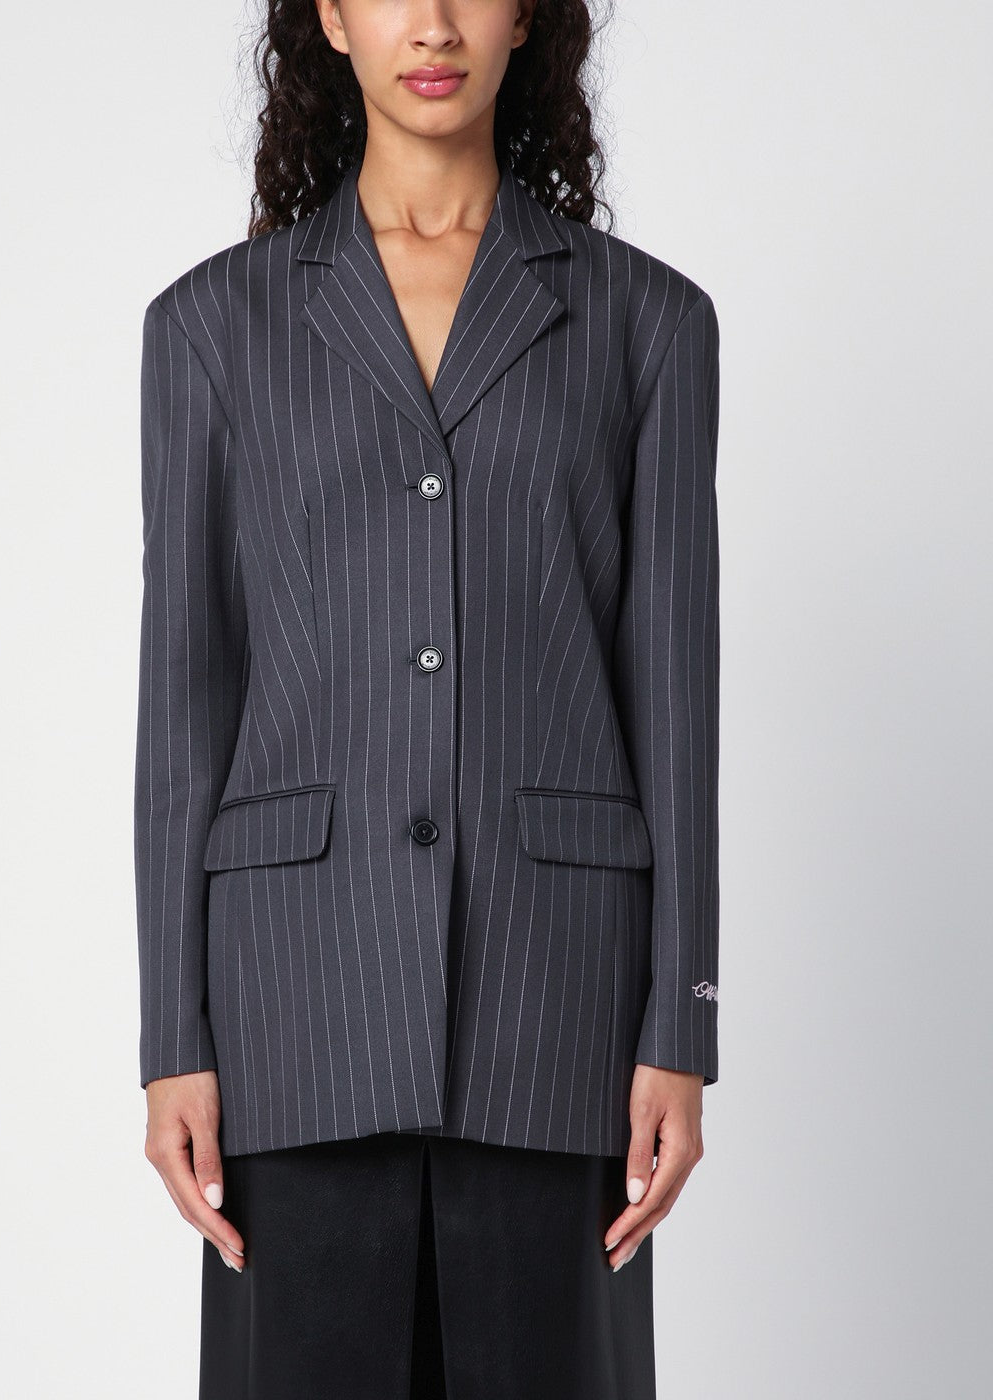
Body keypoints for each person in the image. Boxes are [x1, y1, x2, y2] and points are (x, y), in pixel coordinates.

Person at [134, 2, 721, 1396]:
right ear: (332, 19)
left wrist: (681, 1028)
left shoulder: (647, 321)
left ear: (528, 17)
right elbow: (184, 702)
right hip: (295, 1008)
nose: (436, 24)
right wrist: (173, 1040)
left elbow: (675, 695)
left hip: (557, 1007)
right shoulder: (212, 326)